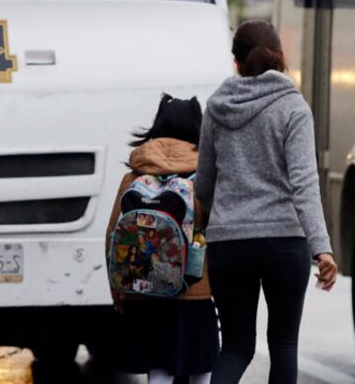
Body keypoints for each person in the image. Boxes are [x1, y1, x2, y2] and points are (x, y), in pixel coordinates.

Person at [195, 20, 338, 384]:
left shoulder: (216, 108)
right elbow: (305, 184)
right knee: (284, 344)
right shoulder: (293, 109)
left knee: (236, 347)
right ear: (281, 60)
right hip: (284, 243)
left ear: (237, 63)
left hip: (229, 244)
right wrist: (322, 249)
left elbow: (205, 184)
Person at [105, 94, 218, 384]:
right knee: (202, 367)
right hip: (194, 292)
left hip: (145, 291)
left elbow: (112, 236)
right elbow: (215, 232)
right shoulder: (204, 175)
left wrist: (119, 291)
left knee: (159, 369)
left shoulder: (135, 176)